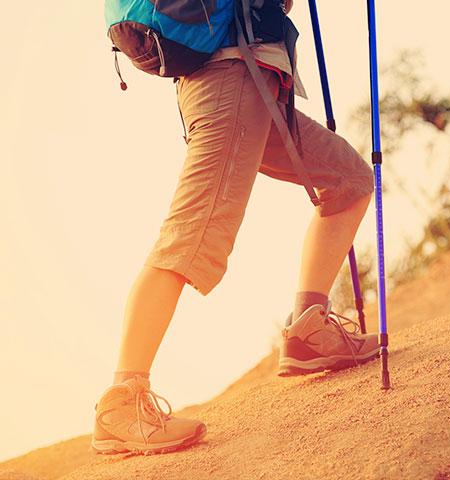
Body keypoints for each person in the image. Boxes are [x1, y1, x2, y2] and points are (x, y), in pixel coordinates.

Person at [91, 0, 379, 455]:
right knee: (189, 238)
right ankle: (121, 403)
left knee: (349, 180)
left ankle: (309, 332)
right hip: (229, 81)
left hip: (253, 83)